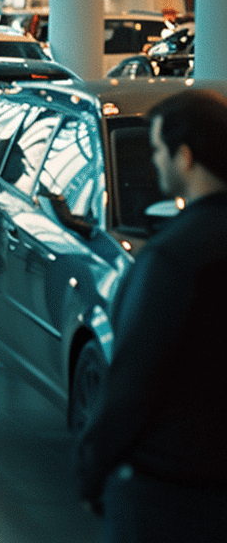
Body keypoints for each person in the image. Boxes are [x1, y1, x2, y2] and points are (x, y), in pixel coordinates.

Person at [75, 89, 227, 540]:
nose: (155, 162)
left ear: (185, 157)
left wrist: (94, 467)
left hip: (168, 490)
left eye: (158, 150)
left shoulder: (172, 256)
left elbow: (133, 380)